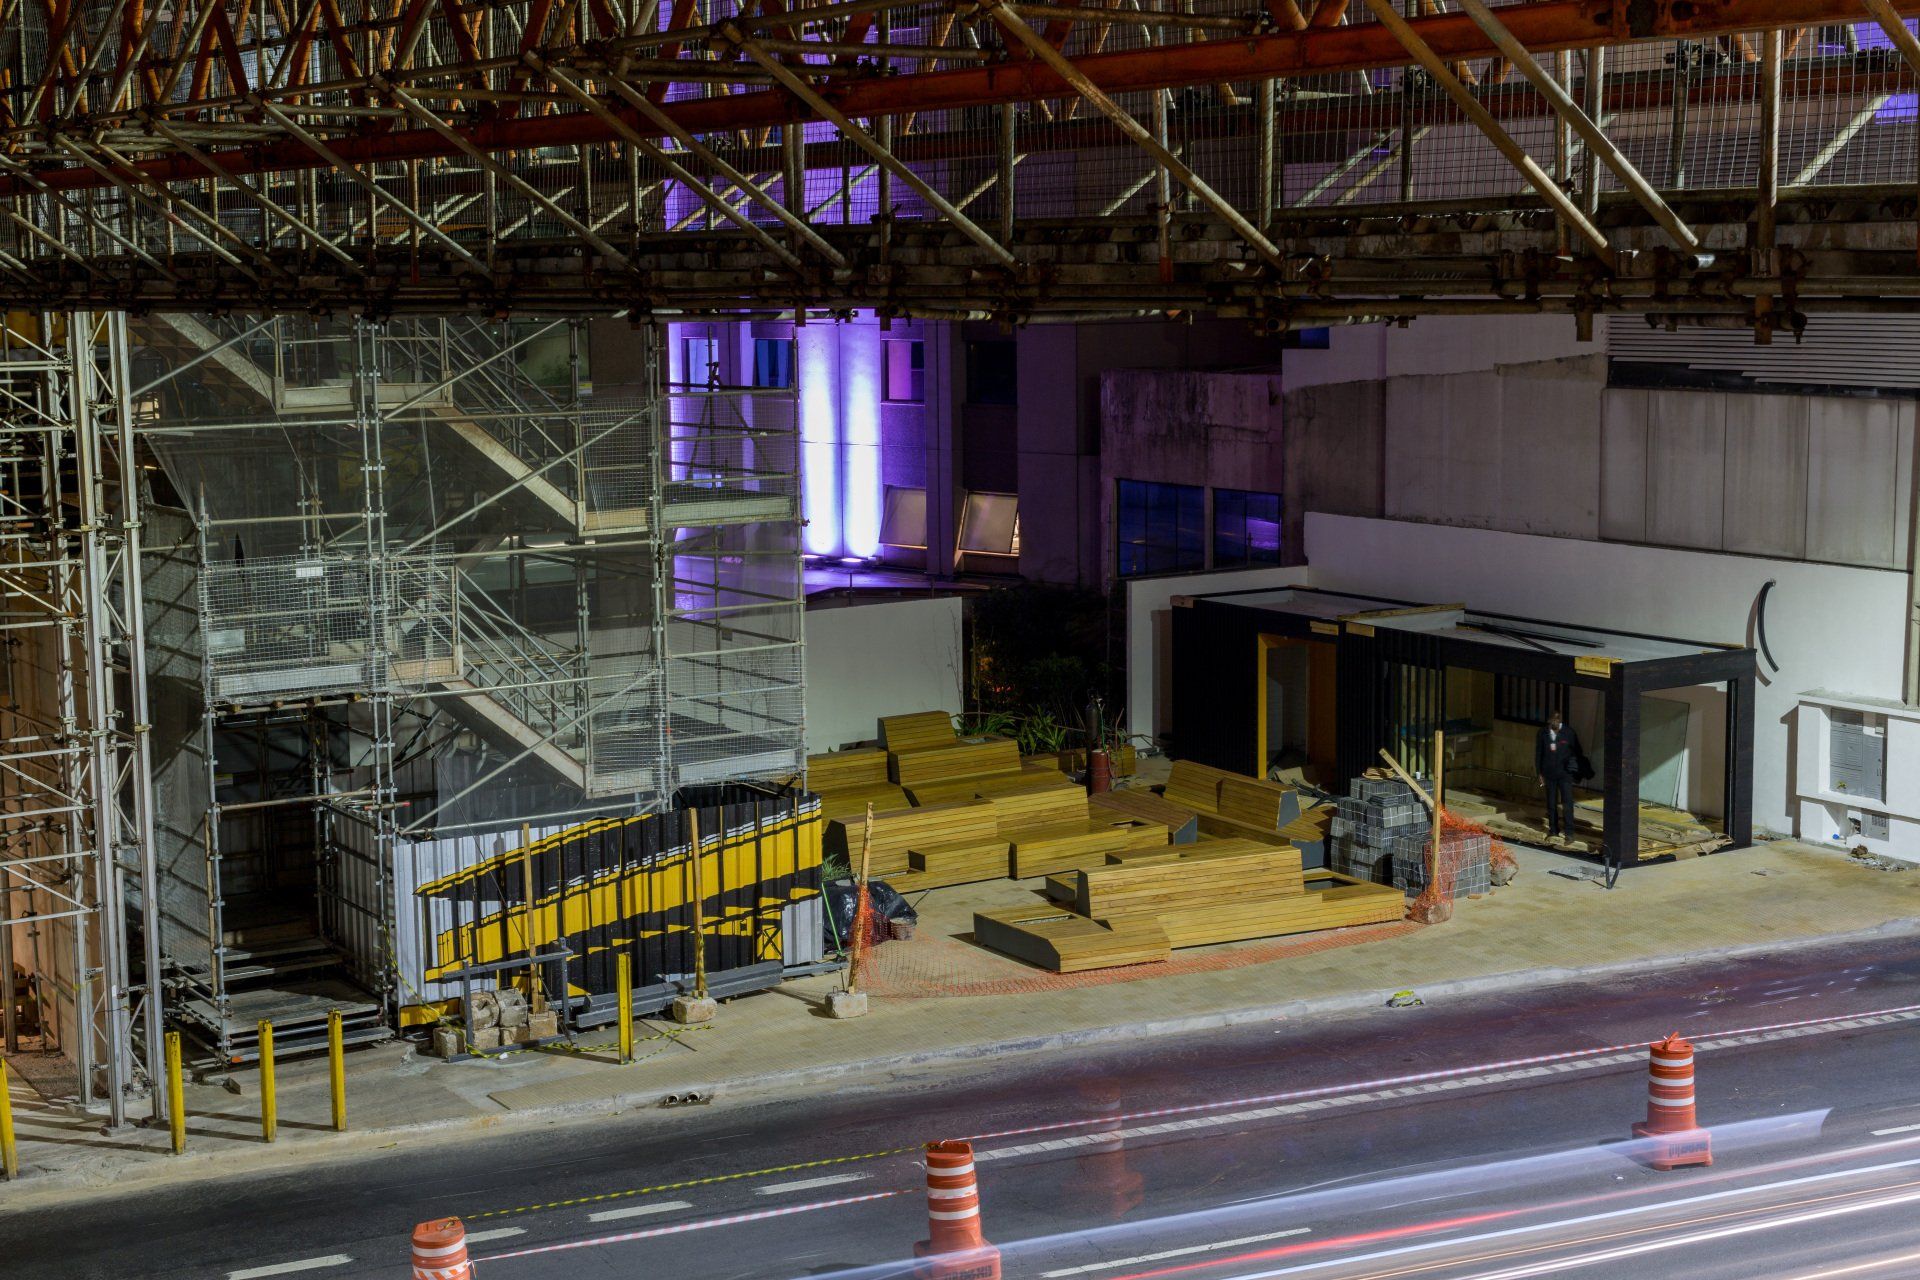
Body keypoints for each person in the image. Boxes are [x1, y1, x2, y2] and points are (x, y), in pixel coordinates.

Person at [1535, 710, 1583, 845]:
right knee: (1551, 803)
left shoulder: (1569, 733)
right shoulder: (1543, 733)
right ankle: (1553, 830)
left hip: (1565, 774)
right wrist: (1539, 773)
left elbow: (1577, 752)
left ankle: (1569, 833)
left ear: (1561, 721)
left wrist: (1574, 770)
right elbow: (1539, 753)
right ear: (1549, 721)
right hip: (1549, 774)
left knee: (1567, 804)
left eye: (1557, 721)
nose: (1555, 723)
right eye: (1552, 721)